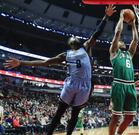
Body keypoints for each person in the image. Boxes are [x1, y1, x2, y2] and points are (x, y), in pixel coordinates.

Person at [4, 5, 116, 135]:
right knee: (68, 113)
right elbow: (97, 32)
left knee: (66, 113)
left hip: (78, 84)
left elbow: (44, 63)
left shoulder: (72, 52)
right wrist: (106, 17)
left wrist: (106, 16)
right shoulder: (79, 49)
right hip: (79, 84)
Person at [108, 10, 138, 135]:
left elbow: (135, 40)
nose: (122, 41)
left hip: (130, 85)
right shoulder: (114, 52)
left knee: (130, 117)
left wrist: (133, 24)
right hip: (119, 85)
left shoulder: (129, 54)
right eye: (120, 41)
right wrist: (121, 17)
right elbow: (117, 33)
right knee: (116, 117)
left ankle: (118, 134)